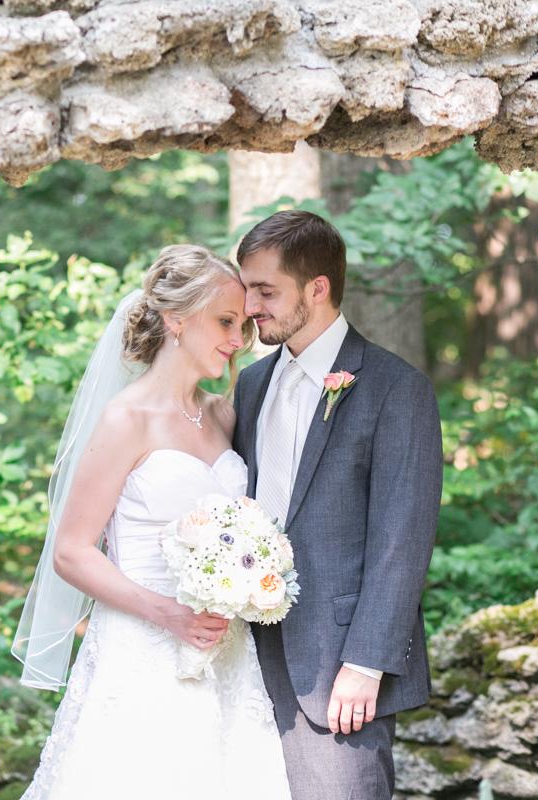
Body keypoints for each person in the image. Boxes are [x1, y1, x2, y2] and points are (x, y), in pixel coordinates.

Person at [13, 244, 292, 800]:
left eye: (242, 326)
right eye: (226, 322)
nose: (239, 340)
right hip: (144, 646)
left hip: (227, 656)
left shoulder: (224, 414)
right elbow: (71, 552)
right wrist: (169, 614)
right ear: (176, 319)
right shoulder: (127, 418)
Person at [233, 210, 442, 800]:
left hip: (337, 671)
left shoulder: (395, 388)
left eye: (265, 290)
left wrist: (367, 663)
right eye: (247, 289)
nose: (249, 306)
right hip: (242, 660)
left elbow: (403, 538)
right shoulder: (250, 385)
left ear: (317, 288)